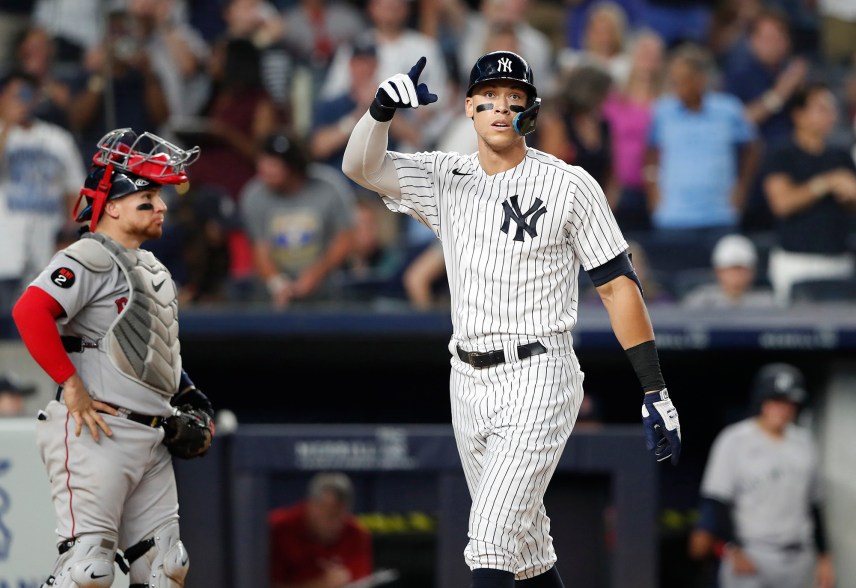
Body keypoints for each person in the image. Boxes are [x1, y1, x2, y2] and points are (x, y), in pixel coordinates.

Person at [342, 49, 681, 587]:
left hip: (538, 371)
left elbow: (618, 288)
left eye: (514, 99)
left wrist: (655, 390)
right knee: (525, 552)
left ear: (531, 111)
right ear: (470, 108)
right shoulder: (445, 175)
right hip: (467, 378)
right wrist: (381, 109)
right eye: (490, 98)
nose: (501, 108)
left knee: (490, 541)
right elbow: (359, 166)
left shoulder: (570, 185)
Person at [11, 128, 215, 586]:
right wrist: (71, 384)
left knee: (166, 567)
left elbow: (150, 346)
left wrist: (187, 393)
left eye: (158, 198)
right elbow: (29, 311)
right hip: (97, 431)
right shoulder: (88, 254)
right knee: (88, 570)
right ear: (113, 206)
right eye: (147, 199)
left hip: (152, 435)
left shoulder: (152, 266)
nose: (161, 206)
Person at [696, 362, 835, 588]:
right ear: (762, 402)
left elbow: (815, 505)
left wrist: (824, 557)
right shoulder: (734, 439)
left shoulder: (804, 442)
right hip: (752, 552)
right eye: (776, 401)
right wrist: (733, 548)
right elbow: (716, 500)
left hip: (798, 555)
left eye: (789, 403)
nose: (783, 409)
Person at [761, 81, 856, 306]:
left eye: (831, 109)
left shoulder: (840, 155)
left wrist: (849, 196)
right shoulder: (782, 154)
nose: (830, 115)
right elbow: (782, 204)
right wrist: (826, 183)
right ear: (799, 115)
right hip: (796, 261)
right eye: (821, 108)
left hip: (837, 259)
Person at [239, 130, 357, 308]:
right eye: (263, 161)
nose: (264, 169)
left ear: (293, 167)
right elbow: (260, 248)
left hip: (326, 288)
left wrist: (315, 274)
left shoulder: (329, 187)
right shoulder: (254, 195)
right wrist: (277, 283)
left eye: (273, 164)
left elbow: (345, 238)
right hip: (273, 295)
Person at [269, 471, 373, 588]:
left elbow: (361, 580)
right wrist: (319, 585)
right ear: (311, 506)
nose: (335, 524)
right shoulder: (279, 529)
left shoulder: (356, 533)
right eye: (329, 515)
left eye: (341, 515)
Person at [681, 233, 775, 309]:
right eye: (732, 269)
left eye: (742, 269)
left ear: (753, 271)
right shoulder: (701, 299)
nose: (737, 275)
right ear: (718, 271)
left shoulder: (766, 302)